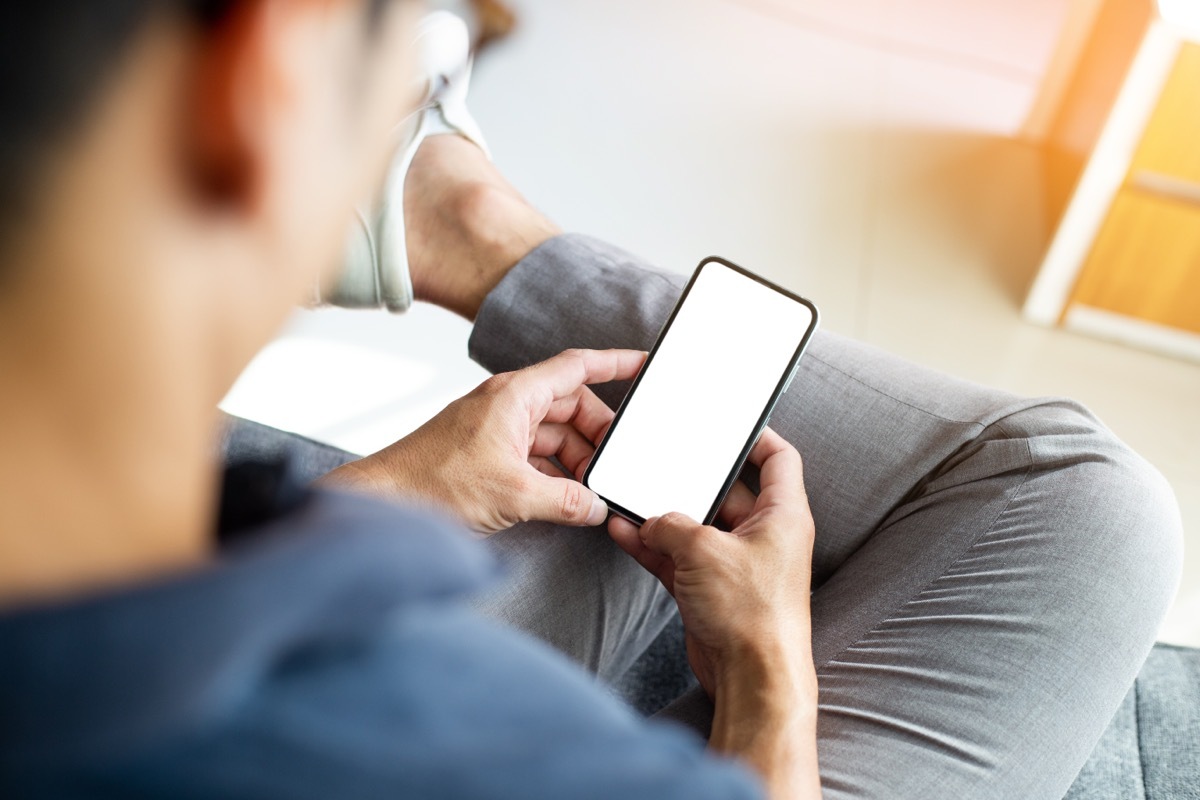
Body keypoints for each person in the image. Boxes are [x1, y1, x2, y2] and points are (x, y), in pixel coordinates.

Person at [0, 2, 1183, 798]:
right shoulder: (472, 741)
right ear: (263, 86)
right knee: (1082, 506)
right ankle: (456, 225)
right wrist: (769, 680)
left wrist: (403, 488)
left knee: (610, 503)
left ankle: (443, 219)